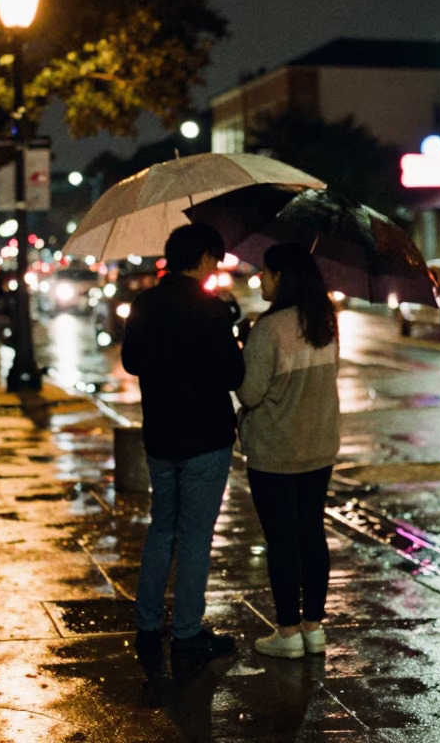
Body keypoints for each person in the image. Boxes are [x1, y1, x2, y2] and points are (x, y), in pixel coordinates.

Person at [121, 224, 246, 657]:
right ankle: (189, 632)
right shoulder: (211, 310)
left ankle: (148, 624)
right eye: (216, 258)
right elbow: (234, 375)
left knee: (162, 529)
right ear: (204, 258)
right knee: (195, 536)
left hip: (160, 433)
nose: (218, 265)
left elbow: (131, 360)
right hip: (205, 437)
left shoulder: (145, 303)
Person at [237, 243, 341, 659]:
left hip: (275, 452)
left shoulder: (269, 328)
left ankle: (287, 632)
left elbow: (249, 392)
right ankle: (314, 628)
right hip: (318, 447)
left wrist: (244, 348)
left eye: (265, 271)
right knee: (312, 536)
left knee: (282, 542)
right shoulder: (325, 322)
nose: (260, 278)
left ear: (283, 278)